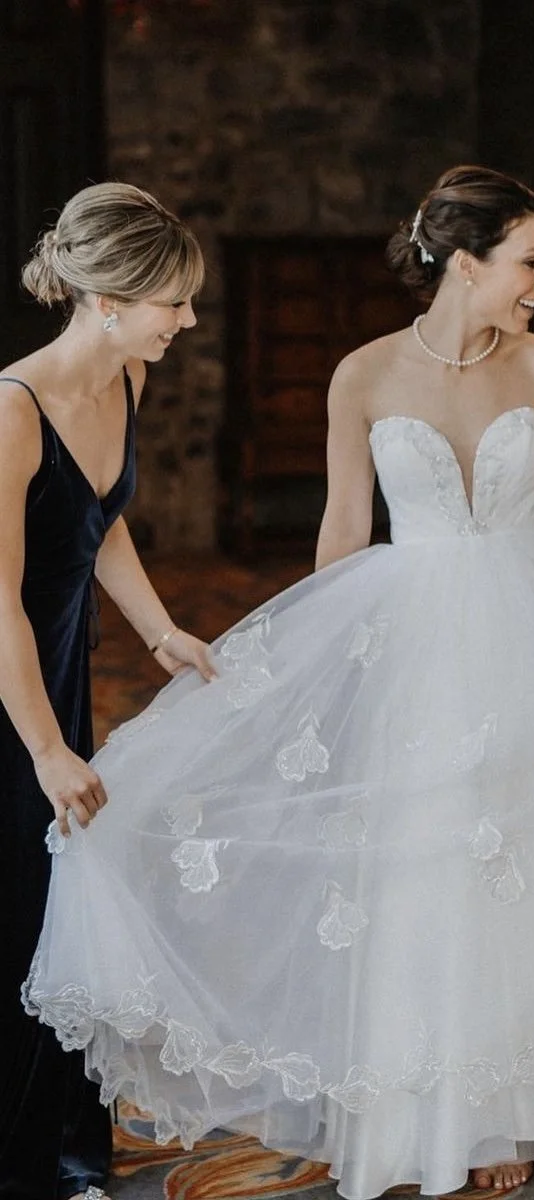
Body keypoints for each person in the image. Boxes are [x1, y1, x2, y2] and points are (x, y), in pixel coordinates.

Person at [25, 167, 534, 1199]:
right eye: (529, 261)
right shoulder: (361, 374)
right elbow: (340, 529)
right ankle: (424, 1095)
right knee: (424, 853)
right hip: (411, 633)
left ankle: (513, 1102)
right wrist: (315, 663)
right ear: (465, 262)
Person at [0, 182, 216, 1200]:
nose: (186, 321)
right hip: (10, 690)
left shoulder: (123, 384)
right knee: (19, 911)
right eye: (173, 302)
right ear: (111, 298)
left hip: (63, 668)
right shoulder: (11, 407)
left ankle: (66, 1148)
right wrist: (45, 748)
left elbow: (99, 519)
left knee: (60, 912)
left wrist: (160, 628)